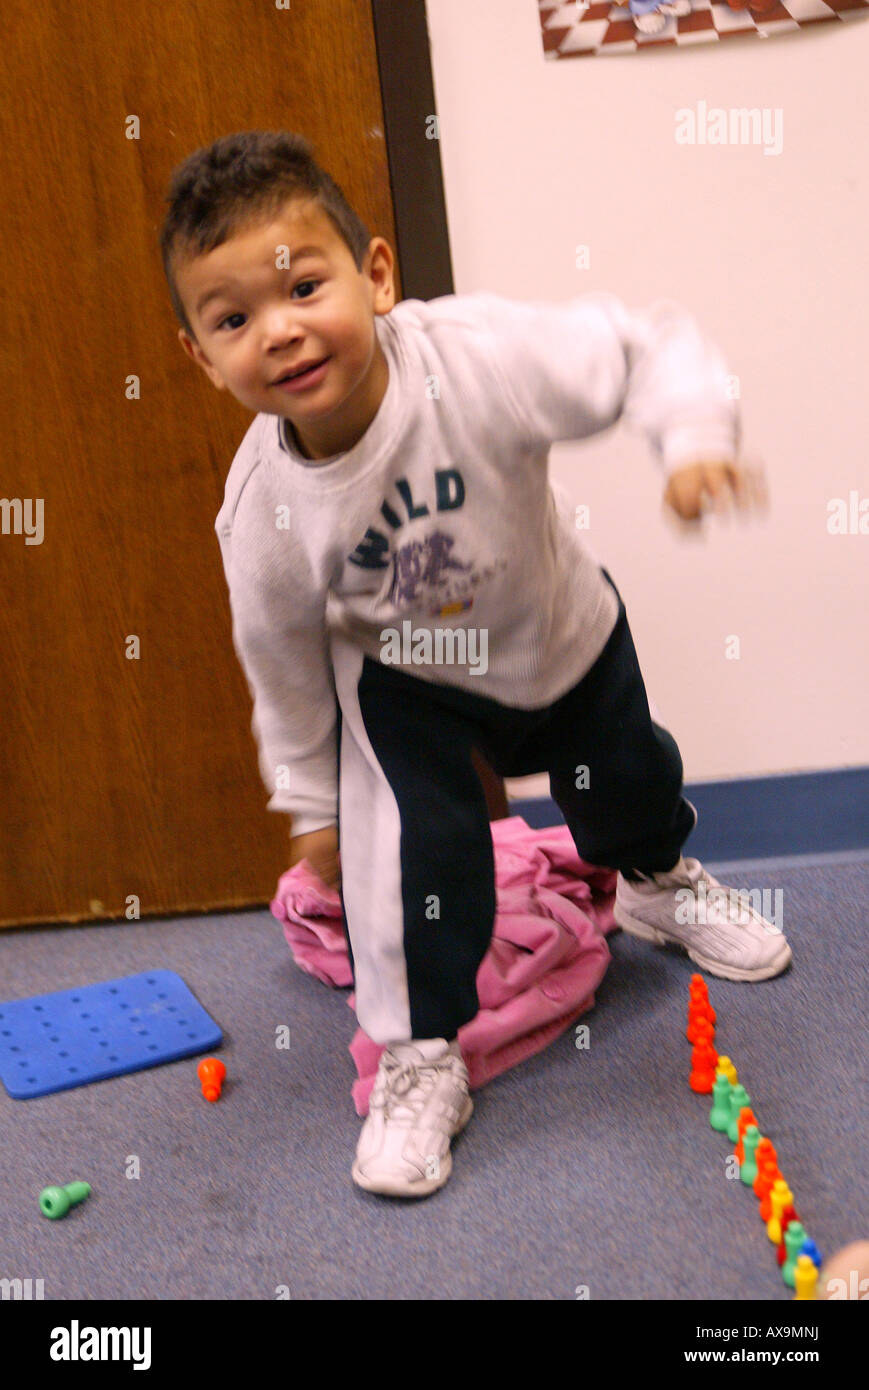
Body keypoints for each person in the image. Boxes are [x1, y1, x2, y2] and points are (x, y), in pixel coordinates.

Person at [160, 130, 792, 1199]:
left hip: (560, 635)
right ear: (201, 357)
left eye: (302, 285)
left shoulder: (476, 356)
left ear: (375, 275)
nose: (279, 331)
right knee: (412, 864)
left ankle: (651, 884)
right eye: (232, 319)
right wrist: (309, 794)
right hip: (410, 688)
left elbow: (639, 346)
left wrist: (691, 435)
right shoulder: (262, 504)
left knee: (626, 782)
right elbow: (278, 660)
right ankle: (417, 1053)